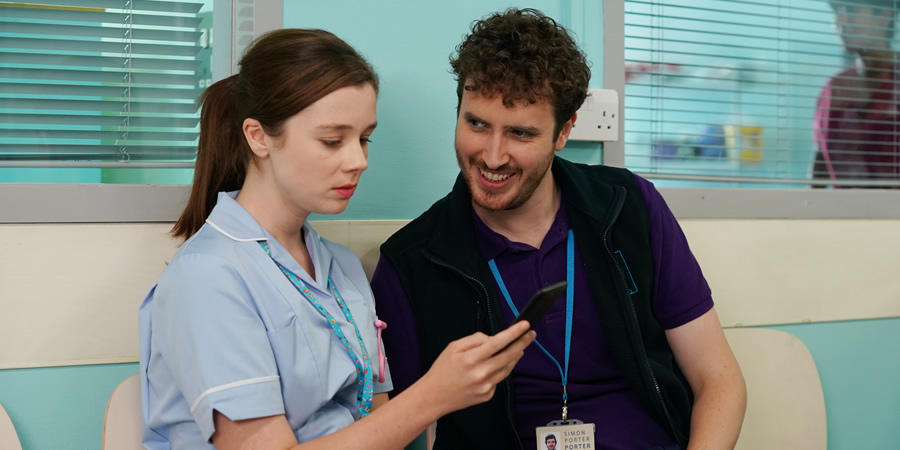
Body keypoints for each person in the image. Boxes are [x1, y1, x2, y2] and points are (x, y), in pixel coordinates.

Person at [138, 28, 535, 450]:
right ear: (258, 137)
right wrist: (433, 395)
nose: (358, 161)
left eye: (365, 139)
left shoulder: (341, 268)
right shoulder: (207, 279)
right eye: (333, 141)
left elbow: (380, 421)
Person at [371, 8, 747, 450]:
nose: (492, 156)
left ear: (564, 131)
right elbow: (387, 428)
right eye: (476, 124)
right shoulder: (412, 261)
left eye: (520, 134)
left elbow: (718, 379)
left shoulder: (630, 208)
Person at [813, 0, 900, 186]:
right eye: (837, 10)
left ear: (885, 15)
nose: (840, 20)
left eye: (851, 9)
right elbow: (820, 168)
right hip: (844, 212)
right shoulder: (834, 89)